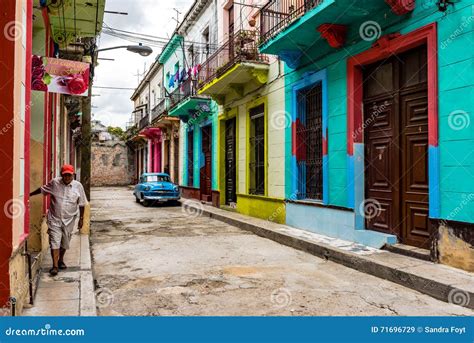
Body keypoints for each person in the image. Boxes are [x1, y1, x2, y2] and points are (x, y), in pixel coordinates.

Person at [30, 164, 87, 276]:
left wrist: (81, 219)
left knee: (65, 242)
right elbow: (42, 190)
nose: (67, 177)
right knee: (54, 241)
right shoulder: (54, 183)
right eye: (65, 175)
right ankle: (55, 266)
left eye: (69, 175)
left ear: (73, 175)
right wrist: (29, 194)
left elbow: (82, 203)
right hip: (54, 219)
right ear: (61, 175)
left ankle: (61, 259)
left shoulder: (78, 186)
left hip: (69, 219)